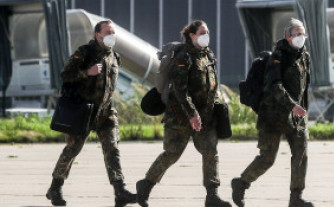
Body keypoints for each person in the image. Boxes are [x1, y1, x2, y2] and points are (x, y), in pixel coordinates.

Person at [136, 20, 231, 207]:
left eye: (207, 32)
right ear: (192, 36)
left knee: (210, 151)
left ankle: (212, 195)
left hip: (205, 117)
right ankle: (146, 185)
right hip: (180, 116)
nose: (206, 35)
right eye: (202, 32)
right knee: (172, 154)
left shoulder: (208, 55)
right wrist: (192, 114)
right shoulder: (183, 58)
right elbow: (180, 90)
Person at [47, 19, 137, 207]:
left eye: (113, 32)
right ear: (98, 35)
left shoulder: (114, 56)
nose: (112, 35)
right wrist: (87, 72)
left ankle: (120, 191)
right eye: (108, 32)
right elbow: (65, 75)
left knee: (112, 149)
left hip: (105, 112)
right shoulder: (85, 52)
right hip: (83, 111)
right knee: (72, 150)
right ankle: (55, 187)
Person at [231, 18, 314, 207]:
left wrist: (303, 111)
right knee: (267, 159)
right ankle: (241, 183)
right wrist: (292, 105)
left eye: (303, 34)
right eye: (297, 34)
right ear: (287, 36)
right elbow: (274, 85)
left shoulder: (304, 57)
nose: (301, 37)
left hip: (296, 117)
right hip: (272, 116)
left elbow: (304, 88)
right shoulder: (278, 56)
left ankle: (296, 197)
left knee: (301, 154)